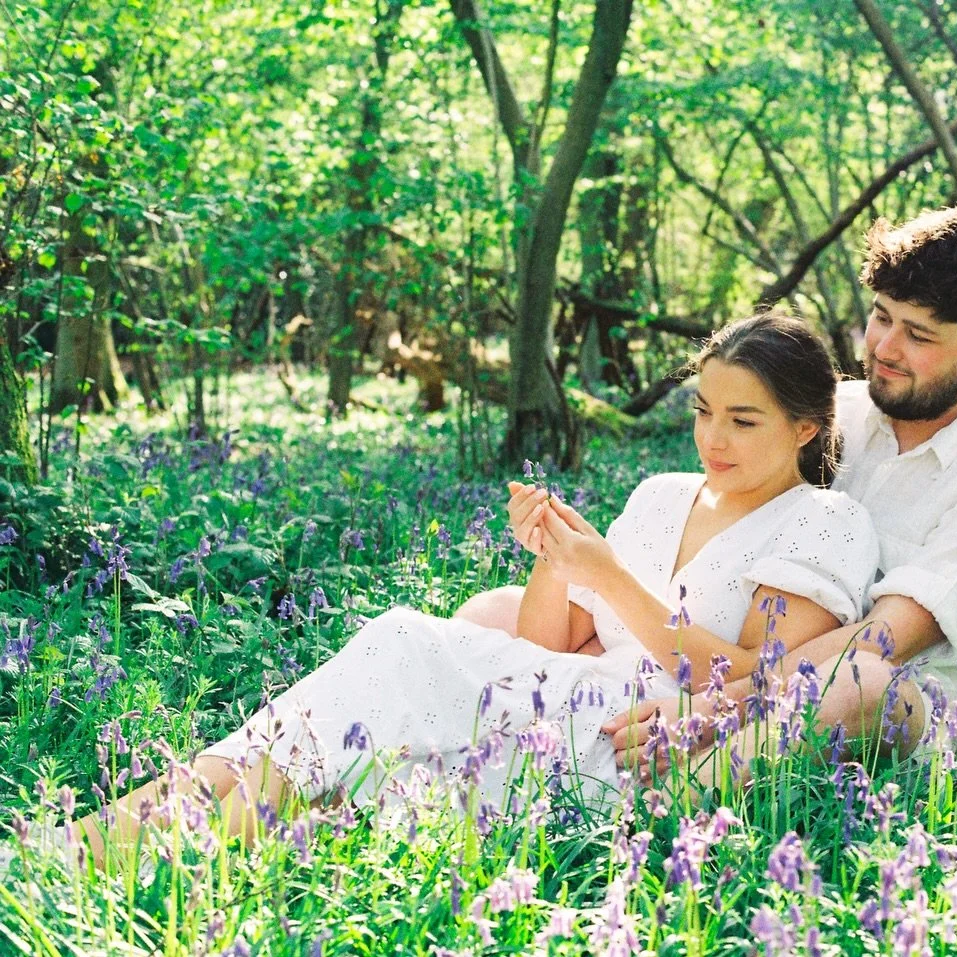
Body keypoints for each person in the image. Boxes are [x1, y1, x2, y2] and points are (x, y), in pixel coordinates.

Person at [38, 312, 879, 870]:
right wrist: (557, 553)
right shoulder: (661, 493)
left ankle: (113, 852)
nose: (712, 437)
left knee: (399, 647)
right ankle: (122, 856)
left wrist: (608, 577)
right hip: (565, 693)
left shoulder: (823, 520)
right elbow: (546, 641)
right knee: (353, 734)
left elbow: (756, 679)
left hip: (649, 735)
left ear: (806, 428)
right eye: (703, 410)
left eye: (743, 420)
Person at [600, 203, 957, 775]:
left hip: (913, 705)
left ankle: (665, 817)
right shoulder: (838, 413)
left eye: (918, 334)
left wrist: (714, 704)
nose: (884, 347)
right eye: (881, 316)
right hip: (762, 662)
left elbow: (885, 640)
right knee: (504, 611)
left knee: (859, 682)